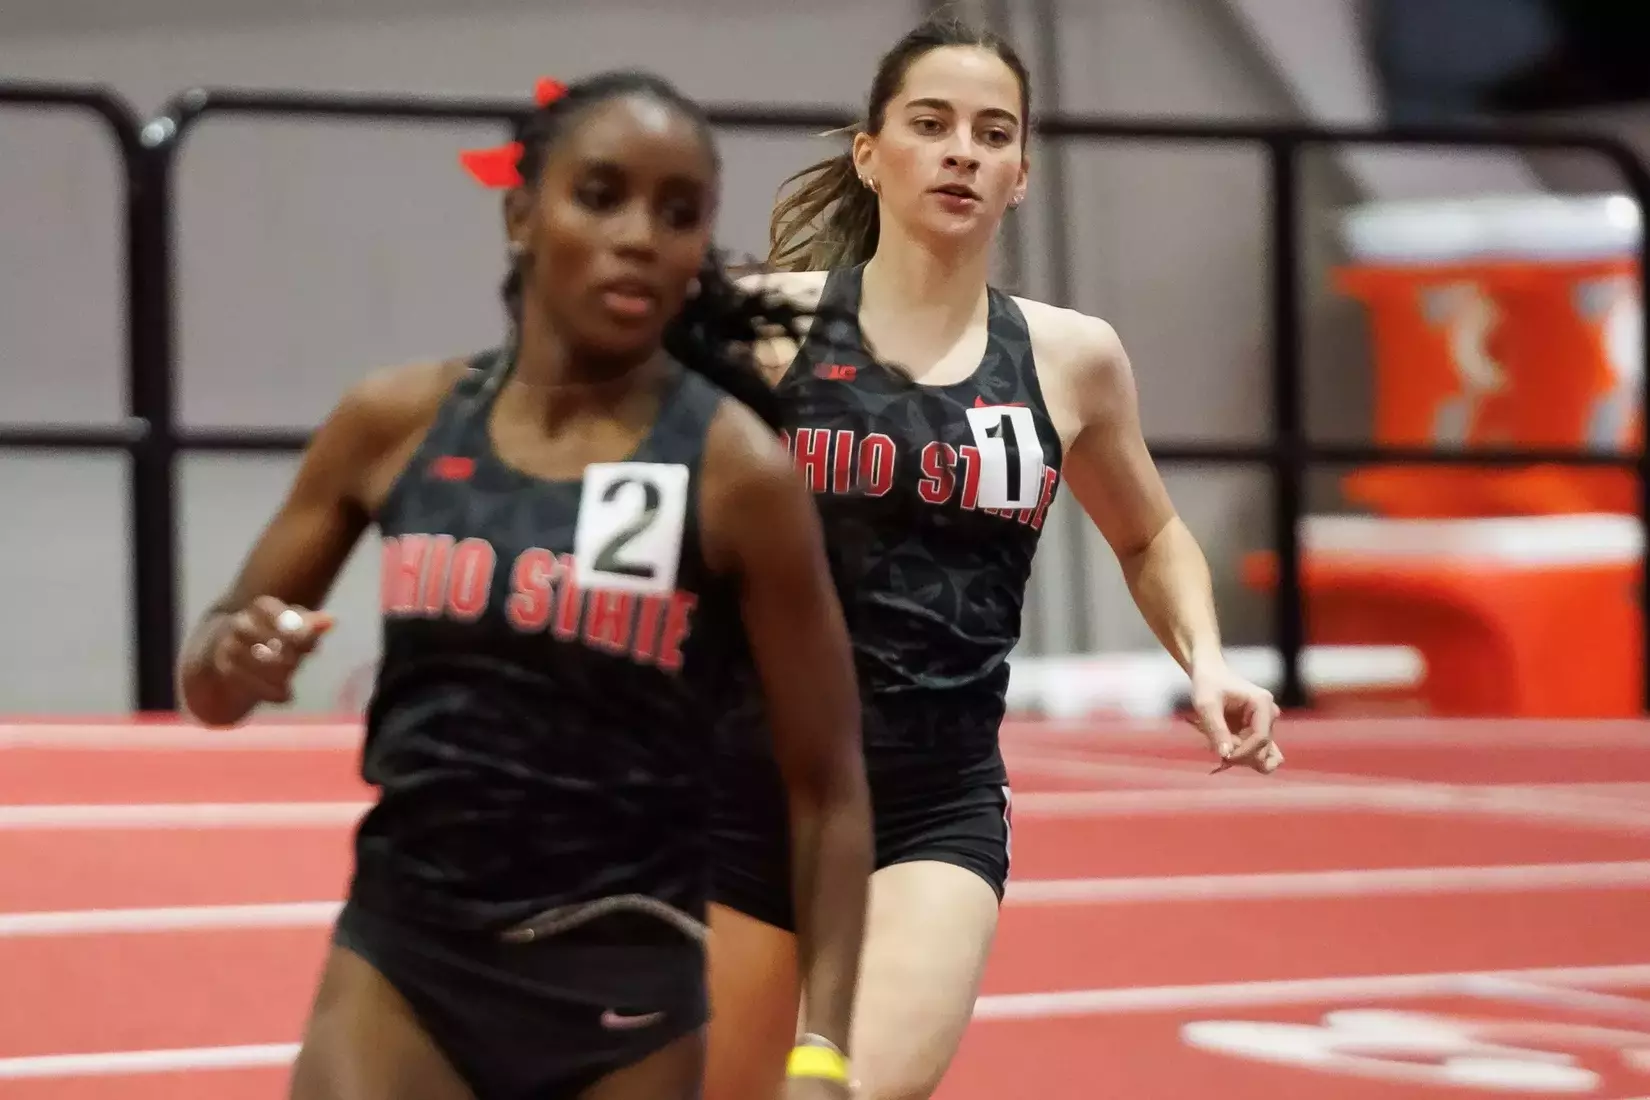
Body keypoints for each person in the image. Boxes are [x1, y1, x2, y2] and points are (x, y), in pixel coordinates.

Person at [173, 70, 874, 1100]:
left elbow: (829, 783)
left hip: (625, 1002)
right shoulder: (395, 421)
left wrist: (823, 1051)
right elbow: (210, 685)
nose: (640, 234)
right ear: (521, 211)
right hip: (406, 965)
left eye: (679, 213)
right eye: (601, 194)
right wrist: (236, 650)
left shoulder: (738, 475)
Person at [703, 16, 1286, 1100]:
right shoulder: (760, 330)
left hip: (932, 802)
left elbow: (1151, 531)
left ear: (1021, 175)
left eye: (993, 132)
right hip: (742, 787)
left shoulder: (1071, 357)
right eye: (931, 124)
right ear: (871, 153)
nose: (963, 150)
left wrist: (1207, 659)